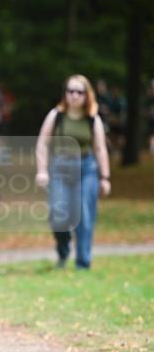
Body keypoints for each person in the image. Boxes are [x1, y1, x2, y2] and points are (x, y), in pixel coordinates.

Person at [35, 74, 111, 270]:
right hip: (60, 167)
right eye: (70, 91)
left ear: (87, 95)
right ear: (65, 94)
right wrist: (42, 170)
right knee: (57, 214)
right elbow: (42, 143)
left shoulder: (93, 119)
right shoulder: (56, 115)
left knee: (84, 215)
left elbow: (100, 149)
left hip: (86, 169)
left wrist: (105, 177)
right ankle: (63, 250)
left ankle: (83, 263)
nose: (74, 95)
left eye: (79, 92)